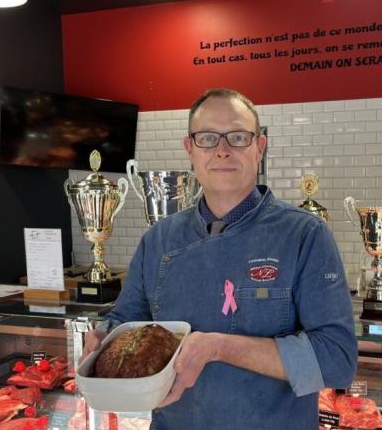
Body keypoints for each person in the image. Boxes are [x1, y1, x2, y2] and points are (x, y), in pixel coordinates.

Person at [83, 88, 357, 429]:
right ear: (190, 150)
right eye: (208, 138)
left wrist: (218, 347)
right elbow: (126, 322)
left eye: (238, 137)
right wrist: (102, 337)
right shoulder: (159, 239)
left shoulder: (305, 235)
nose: (223, 151)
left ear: (259, 147)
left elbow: (337, 359)